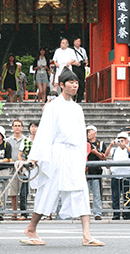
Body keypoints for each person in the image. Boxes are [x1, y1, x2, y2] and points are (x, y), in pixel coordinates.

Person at [22, 69, 104, 247]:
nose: (75, 85)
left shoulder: (77, 108)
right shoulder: (52, 106)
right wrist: (35, 157)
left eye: (76, 82)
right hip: (56, 153)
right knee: (49, 190)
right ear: (61, 85)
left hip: (74, 154)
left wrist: (82, 158)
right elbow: (45, 133)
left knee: (81, 189)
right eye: (71, 82)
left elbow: (82, 137)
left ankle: (86, 234)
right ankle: (31, 227)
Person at [105, 132, 130, 220]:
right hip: (116, 176)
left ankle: (126, 214)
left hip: (127, 176)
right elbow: (106, 155)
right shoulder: (114, 150)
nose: (121, 141)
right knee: (115, 196)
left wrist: (125, 145)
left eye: (123, 139)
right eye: (119, 139)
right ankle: (116, 214)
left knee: (127, 196)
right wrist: (111, 145)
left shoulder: (128, 149)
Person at [7, 119, 26, 220]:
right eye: (15, 125)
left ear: (22, 127)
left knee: (23, 193)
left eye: (19, 125)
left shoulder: (26, 140)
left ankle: (23, 213)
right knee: (13, 193)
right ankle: (14, 213)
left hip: (23, 169)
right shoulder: (8, 140)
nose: (17, 127)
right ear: (12, 127)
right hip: (12, 169)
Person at [18, 121, 38, 219]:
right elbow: (20, 154)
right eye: (32, 127)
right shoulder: (25, 141)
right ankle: (23, 213)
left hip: (38, 168)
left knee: (39, 191)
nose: (33, 129)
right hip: (26, 169)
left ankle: (39, 212)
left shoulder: (41, 141)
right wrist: (23, 163)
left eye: (35, 127)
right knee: (23, 191)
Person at [86, 125, 106, 220]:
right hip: (85, 172)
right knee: (84, 195)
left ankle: (97, 213)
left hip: (96, 172)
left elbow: (104, 156)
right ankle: (84, 213)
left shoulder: (100, 144)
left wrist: (95, 152)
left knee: (97, 194)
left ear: (95, 133)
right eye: (87, 132)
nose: (88, 134)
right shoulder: (84, 143)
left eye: (90, 131)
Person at [72, 37, 88, 103]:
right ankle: (72, 98)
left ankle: (79, 99)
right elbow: (69, 61)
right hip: (74, 67)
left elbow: (86, 60)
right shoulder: (71, 50)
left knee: (81, 83)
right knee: (74, 82)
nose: (77, 43)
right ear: (74, 42)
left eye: (79, 41)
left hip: (81, 68)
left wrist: (84, 63)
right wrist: (76, 63)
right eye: (76, 41)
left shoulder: (82, 50)